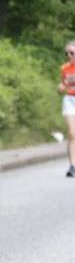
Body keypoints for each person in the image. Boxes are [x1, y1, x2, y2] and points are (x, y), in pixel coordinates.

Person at [58, 40, 75, 177]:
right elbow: (62, 85)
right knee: (71, 132)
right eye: (67, 53)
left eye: (72, 53)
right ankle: (72, 166)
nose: (69, 55)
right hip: (69, 99)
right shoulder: (64, 68)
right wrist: (61, 87)